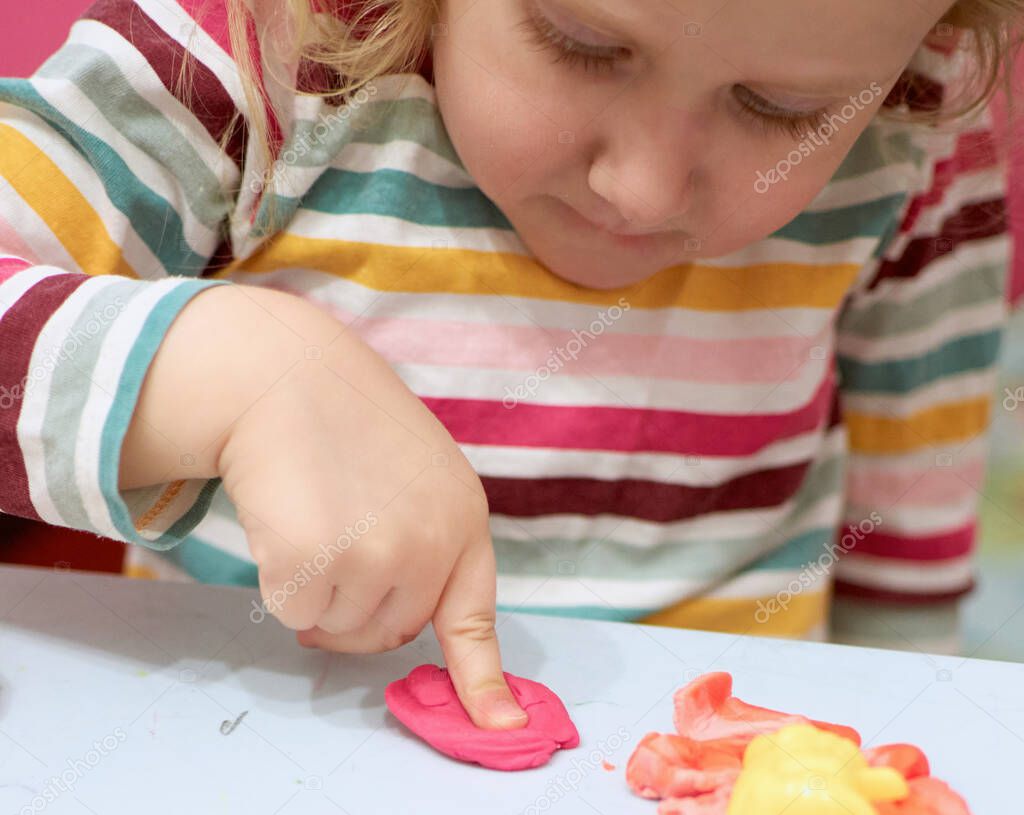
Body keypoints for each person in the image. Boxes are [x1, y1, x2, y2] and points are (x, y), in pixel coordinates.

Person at [0, 0, 1020, 727]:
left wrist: (906, 707)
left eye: (783, 110)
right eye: (580, 41)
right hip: (242, 722)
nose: (642, 187)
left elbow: (907, 511)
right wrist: (220, 369)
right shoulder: (252, 49)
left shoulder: (913, 131)